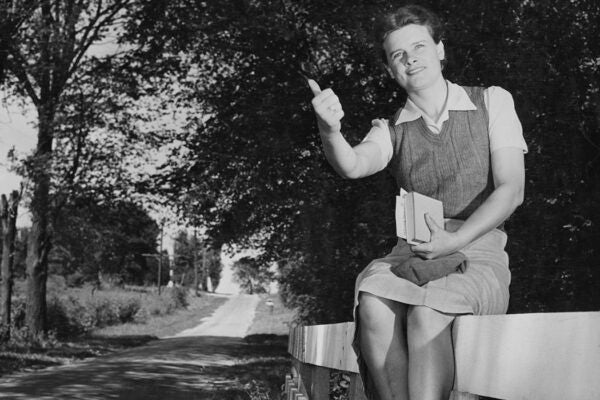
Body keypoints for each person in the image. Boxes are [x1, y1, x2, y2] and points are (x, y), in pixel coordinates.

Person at [307, 4, 527, 400]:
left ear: (439, 50)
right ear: (392, 70)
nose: (411, 58)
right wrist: (329, 130)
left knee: (427, 315)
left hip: (479, 250)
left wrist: (453, 241)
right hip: (413, 253)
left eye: (419, 46)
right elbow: (354, 165)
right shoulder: (391, 131)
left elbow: (512, 189)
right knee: (372, 299)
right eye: (398, 54)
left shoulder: (492, 102)